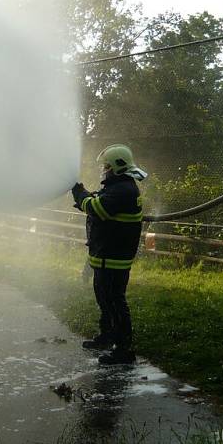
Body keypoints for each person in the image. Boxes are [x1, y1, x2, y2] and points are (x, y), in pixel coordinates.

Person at [71, 144, 146, 365]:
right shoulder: (118, 186)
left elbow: (97, 207)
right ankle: (107, 337)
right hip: (105, 257)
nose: (103, 170)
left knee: (115, 302)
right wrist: (87, 198)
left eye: (106, 166)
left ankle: (123, 349)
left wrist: (79, 193)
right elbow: (98, 203)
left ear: (117, 167)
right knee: (104, 300)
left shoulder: (124, 190)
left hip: (114, 260)